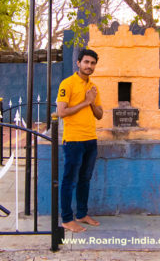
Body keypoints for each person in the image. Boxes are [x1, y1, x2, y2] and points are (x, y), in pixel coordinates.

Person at [56, 48, 103, 233]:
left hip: (91, 139)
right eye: (86, 62)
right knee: (70, 180)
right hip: (74, 140)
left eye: (92, 63)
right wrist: (85, 102)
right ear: (78, 63)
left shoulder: (93, 87)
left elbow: (99, 115)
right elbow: (61, 112)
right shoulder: (67, 84)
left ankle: (82, 214)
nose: (89, 66)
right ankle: (67, 219)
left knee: (85, 179)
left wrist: (91, 101)